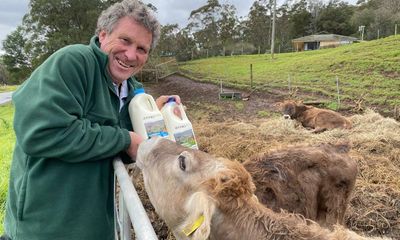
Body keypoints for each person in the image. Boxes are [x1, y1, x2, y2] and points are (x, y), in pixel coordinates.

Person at [1, 0, 179, 239]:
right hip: (44, 227)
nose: (130, 55)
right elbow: (41, 133)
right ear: (103, 35)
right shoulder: (74, 62)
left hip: (95, 228)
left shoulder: (132, 90)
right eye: (125, 40)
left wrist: (156, 115)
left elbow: (128, 149)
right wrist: (124, 138)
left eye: (141, 49)